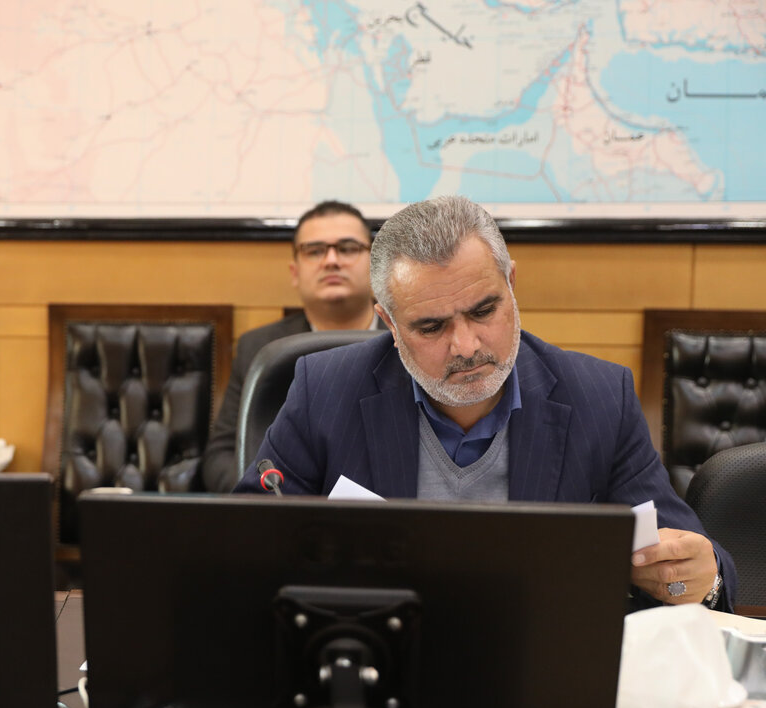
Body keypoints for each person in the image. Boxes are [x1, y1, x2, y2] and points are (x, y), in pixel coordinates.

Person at [235, 196, 735, 612]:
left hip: (540, 665)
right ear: (390, 324)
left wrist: (701, 578)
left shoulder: (599, 397)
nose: (466, 346)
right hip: (378, 654)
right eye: (431, 327)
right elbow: (242, 546)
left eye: (483, 310)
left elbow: (689, 555)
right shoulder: (325, 390)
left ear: (511, 286)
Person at [202, 201, 385, 492]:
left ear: (375, 266)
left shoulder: (409, 340)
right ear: (295, 272)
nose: (332, 260)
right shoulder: (261, 348)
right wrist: (272, 499)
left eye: (348, 248)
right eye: (315, 251)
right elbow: (221, 457)